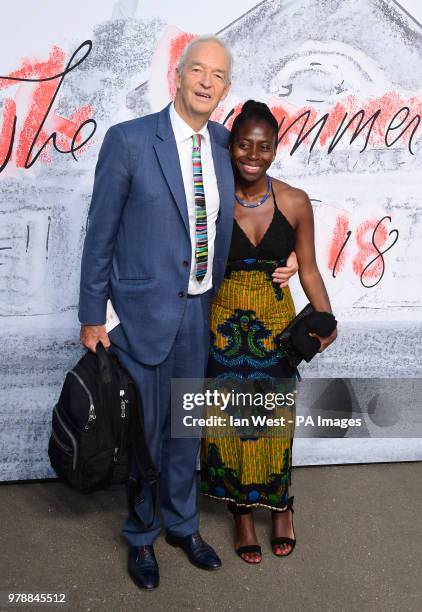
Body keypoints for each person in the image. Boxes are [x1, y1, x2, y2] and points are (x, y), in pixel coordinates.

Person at [78, 37, 296, 589]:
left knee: (184, 431)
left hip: (203, 314)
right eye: (196, 69)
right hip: (141, 315)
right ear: (177, 76)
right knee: (145, 434)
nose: (206, 81)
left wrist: (292, 254)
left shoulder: (227, 144)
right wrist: (92, 315)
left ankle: (181, 524)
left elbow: (265, 199)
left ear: (226, 88)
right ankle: (140, 533)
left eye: (217, 75)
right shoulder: (129, 142)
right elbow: (99, 234)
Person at [201, 100, 337, 564]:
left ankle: (280, 507)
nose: (252, 155)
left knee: (274, 424)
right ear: (231, 145)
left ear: (276, 149)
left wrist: (327, 321)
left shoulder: (294, 201)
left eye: (263, 146)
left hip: (276, 326)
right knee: (227, 425)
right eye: (243, 144)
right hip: (222, 323)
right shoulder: (213, 198)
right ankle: (241, 513)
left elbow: (311, 271)